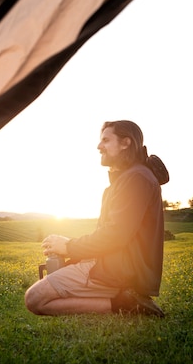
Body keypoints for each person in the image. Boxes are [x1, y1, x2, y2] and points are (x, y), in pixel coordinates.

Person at [24, 120, 169, 318]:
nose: (99, 146)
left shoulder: (136, 178)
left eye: (106, 140)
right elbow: (113, 231)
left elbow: (116, 234)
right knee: (49, 286)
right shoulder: (127, 179)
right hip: (116, 264)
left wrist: (68, 246)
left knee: (35, 298)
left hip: (118, 270)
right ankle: (124, 300)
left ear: (125, 143)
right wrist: (74, 253)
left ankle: (125, 303)